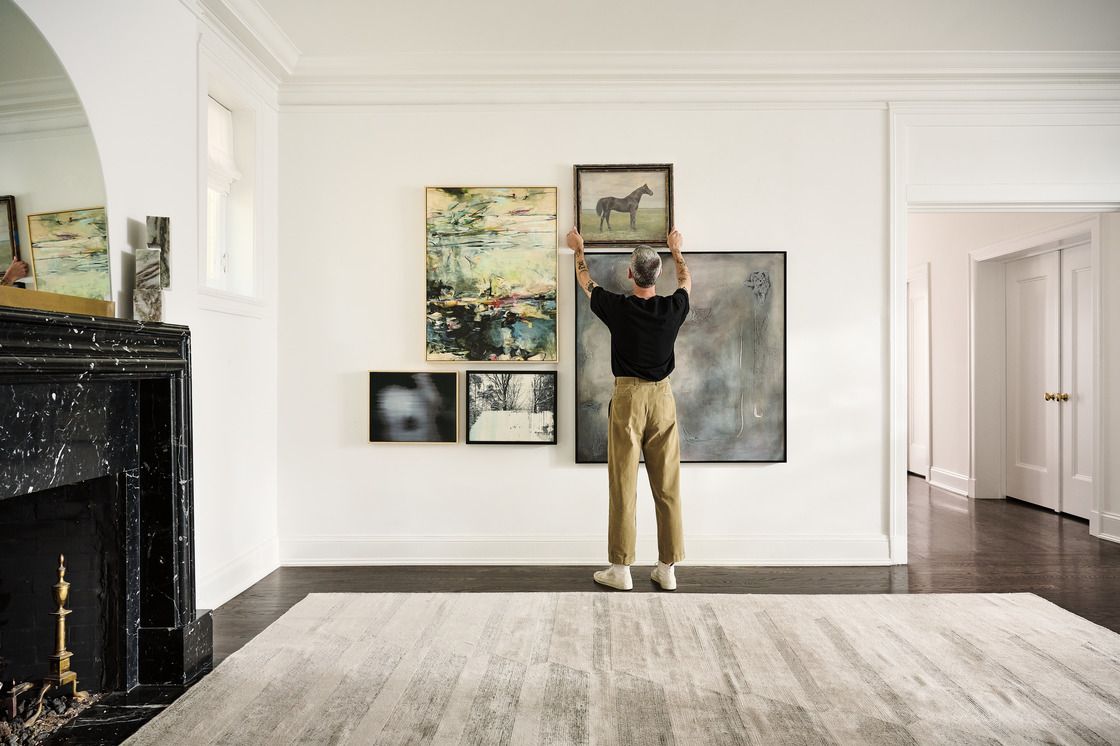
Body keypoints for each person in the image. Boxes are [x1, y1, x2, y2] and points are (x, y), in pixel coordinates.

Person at [567, 226, 691, 591]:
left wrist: (579, 248)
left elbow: (584, 280)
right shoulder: (674, 307)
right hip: (663, 399)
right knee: (667, 485)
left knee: (623, 483)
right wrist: (677, 250)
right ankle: (667, 568)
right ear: (658, 274)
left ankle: (621, 571)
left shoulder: (617, 307)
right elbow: (686, 280)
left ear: (629, 274)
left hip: (628, 399)